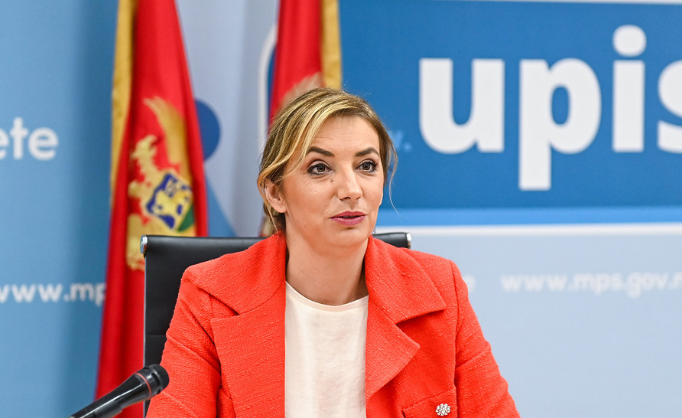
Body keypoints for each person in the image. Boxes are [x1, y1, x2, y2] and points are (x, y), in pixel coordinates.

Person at [146, 88, 519, 418]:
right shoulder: (212, 295)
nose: (351, 189)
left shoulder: (440, 289)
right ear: (275, 193)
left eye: (366, 166)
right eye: (320, 168)